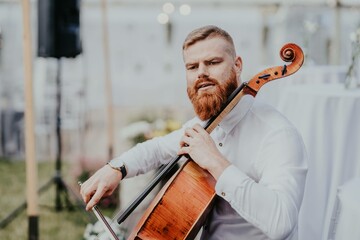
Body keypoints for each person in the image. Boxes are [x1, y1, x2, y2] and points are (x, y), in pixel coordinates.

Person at [80, 25, 308, 240]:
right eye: (192, 67)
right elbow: (157, 148)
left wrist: (216, 162)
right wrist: (117, 168)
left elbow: (282, 221)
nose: (201, 73)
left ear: (237, 65)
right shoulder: (207, 124)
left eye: (213, 62)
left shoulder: (277, 134)